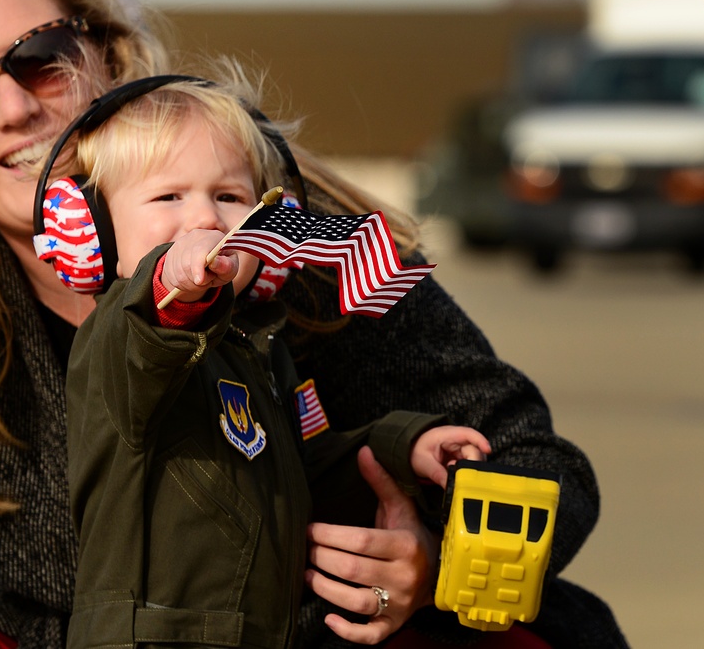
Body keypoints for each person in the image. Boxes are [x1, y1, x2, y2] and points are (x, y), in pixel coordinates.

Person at [0, 0, 627, 646]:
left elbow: (531, 458)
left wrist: (437, 561)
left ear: (108, 62)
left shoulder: (299, 239)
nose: (11, 108)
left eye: (41, 60)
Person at [53, 74, 492, 647]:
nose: (206, 219)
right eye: (168, 196)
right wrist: (174, 275)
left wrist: (400, 447)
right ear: (95, 232)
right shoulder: (121, 337)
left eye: (230, 197)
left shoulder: (260, 352)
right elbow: (151, 323)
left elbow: (302, 473)